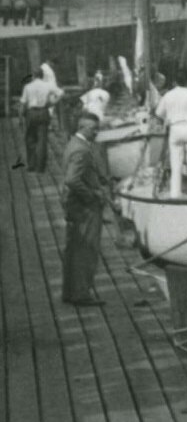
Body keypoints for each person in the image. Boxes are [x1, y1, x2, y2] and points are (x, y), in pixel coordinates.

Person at [60, 111, 110, 305]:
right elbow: (72, 179)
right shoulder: (82, 150)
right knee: (86, 250)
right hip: (84, 208)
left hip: (74, 205)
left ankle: (70, 292)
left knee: (73, 249)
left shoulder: (74, 143)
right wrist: (91, 195)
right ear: (82, 127)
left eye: (97, 128)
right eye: (93, 129)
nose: (97, 132)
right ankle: (81, 294)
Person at [153, 71, 187, 199]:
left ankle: (175, 194)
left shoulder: (168, 96)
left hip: (175, 128)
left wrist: (167, 119)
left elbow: (158, 113)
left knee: (175, 163)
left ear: (175, 82)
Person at [20, 65, 62, 173]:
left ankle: (31, 165)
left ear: (33, 76)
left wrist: (21, 116)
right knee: (42, 140)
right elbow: (60, 93)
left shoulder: (28, 87)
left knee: (30, 138)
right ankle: (40, 167)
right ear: (42, 76)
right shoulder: (47, 85)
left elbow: (23, 103)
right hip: (43, 112)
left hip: (31, 113)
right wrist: (52, 103)